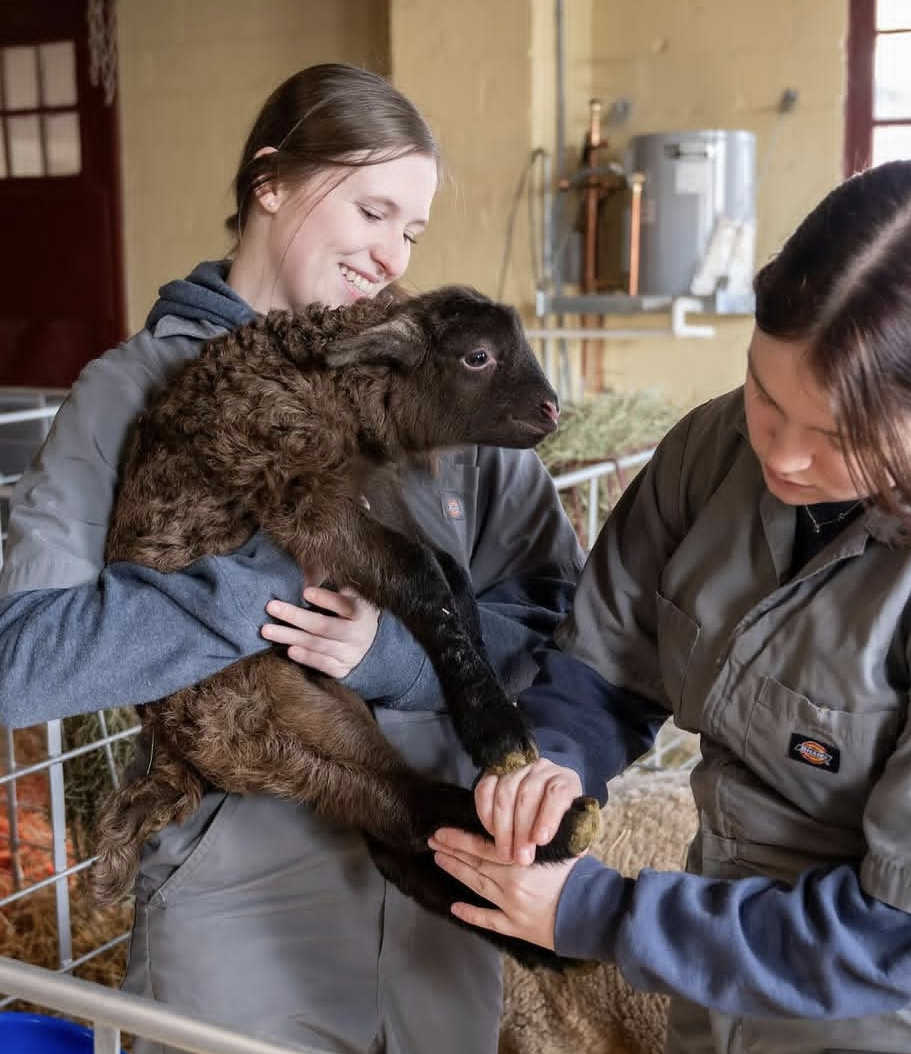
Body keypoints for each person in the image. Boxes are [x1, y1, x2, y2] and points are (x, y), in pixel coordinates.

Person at [428, 159, 911, 1054]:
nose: (783, 458)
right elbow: (608, 659)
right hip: (727, 982)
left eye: (843, 437)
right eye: (768, 396)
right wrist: (559, 759)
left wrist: (605, 915)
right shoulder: (715, 447)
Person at [0, 64, 584, 1054]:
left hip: (449, 901)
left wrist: (390, 656)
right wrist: (273, 579)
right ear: (269, 182)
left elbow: (556, 631)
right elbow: (20, 660)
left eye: (413, 230)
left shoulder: (434, 383)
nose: (391, 252)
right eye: (372, 207)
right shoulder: (129, 391)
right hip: (240, 907)